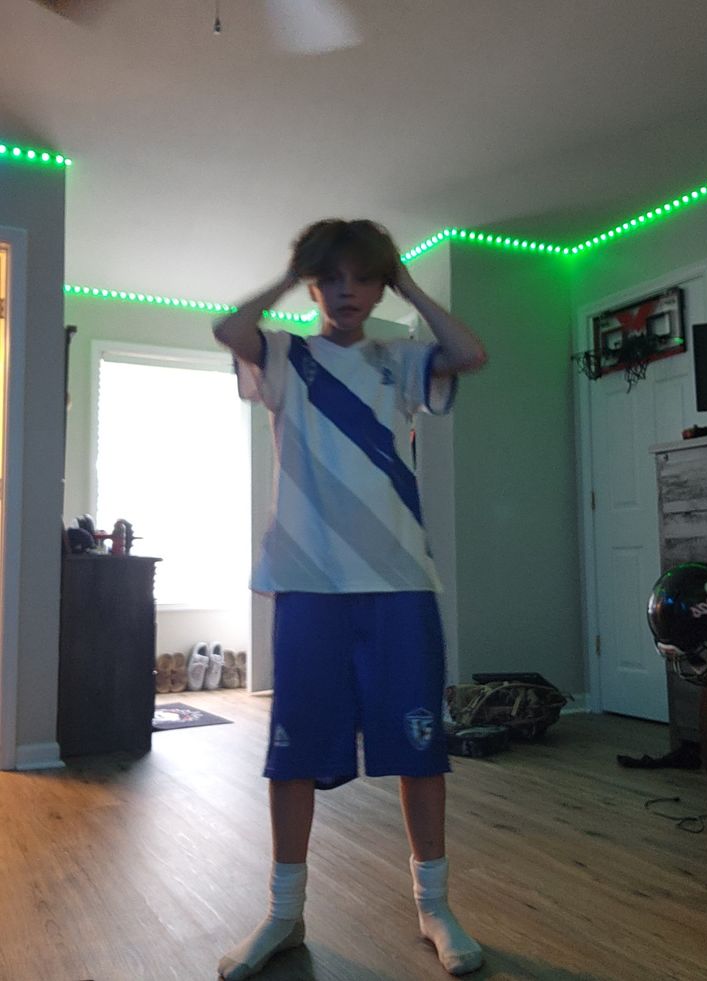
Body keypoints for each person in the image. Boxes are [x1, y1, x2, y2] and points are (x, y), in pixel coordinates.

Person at [212, 218, 487, 979]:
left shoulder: (401, 358)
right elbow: (226, 325)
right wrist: (286, 267)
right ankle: (283, 912)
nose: (349, 291)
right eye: (333, 277)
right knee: (293, 756)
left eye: (365, 278)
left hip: (400, 582)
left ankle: (433, 904)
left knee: (419, 749)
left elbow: (471, 353)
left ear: (380, 284)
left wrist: (408, 284)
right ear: (311, 281)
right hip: (308, 582)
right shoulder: (280, 354)